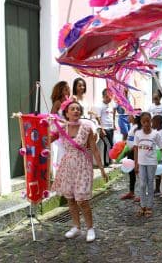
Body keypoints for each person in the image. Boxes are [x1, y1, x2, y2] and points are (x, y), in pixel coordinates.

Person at [51, 97, 108, 242]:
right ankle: (76, 227)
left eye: (78, 109)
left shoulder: (87, 127)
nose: (76, 111)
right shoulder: (61, 128)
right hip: (67, 165)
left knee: (82, 200)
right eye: (72, 109)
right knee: (70, 199)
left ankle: (90, 228)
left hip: (83, 165)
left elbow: (94, 149)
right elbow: (47, 139)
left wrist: (101, 169)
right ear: (67, 113)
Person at [134, 112, 162, 218]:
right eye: (144, 121)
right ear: (141, 122)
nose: (146, 124)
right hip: (141, 163)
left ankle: (149, 206)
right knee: (142, 184)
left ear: (151, 121)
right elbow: (135, 149)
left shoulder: (155, 134)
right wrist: (136, 163)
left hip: (151, 162)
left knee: (150, 183)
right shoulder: (138, 134)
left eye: (148, 121)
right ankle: (142, 205)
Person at [120, 111, 142, 201]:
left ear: (134, 117)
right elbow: (130, 140)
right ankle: (131, 192)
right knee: (131, 172)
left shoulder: (137, 128)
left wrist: (130, 150)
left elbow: (138, 142)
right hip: (130, 152)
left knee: (139, 173)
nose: (127, 117)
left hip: (135, 152)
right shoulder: (133, 126)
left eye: (129, 115)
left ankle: (143, 194)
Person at [96, 89, 116, 167]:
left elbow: (112, 115)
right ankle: (106, 162)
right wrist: (102, 129)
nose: (109, 98)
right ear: (103, 97)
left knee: (111, 145)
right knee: (107, 145)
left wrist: (114, 124)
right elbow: (98, 118)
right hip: (104, 128)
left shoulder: (111, 105)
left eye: (110, 96)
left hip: (110, 128)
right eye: (107, 97)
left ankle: (109, 161)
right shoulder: (100, 106)